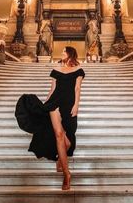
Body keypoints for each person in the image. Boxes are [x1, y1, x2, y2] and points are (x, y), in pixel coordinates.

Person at [15, 46, 85, 191]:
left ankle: (61, 159)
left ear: (71, 54)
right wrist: (45, 105)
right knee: (59, 136)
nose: (62, 53)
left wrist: (76, 105)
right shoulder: (56, 70)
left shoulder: (79, 70)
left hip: (69, 104)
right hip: (54, 104)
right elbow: (52, 89)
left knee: (68, 142)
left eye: (64, 51)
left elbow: (77, 89)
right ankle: (67, 175)